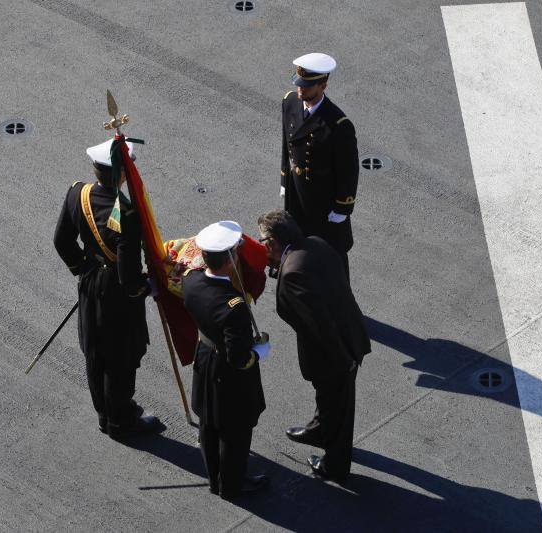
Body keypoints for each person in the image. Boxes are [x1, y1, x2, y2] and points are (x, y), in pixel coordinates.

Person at [53, 137, 161, 439]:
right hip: (116, 291)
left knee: (96, 351)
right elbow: (129, 278)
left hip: (90, 283)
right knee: (120, 357)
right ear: (123, 175)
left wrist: (83, 269)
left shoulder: (78, 193)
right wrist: (149, 286)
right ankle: (120, 421)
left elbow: (62, 241)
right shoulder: (125, 214)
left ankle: (104, 412)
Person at [257, 209, 370, 482]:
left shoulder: (293, 274)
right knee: (328, 399)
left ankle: (335, 465)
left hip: (335, 355)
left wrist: (343, 361)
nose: (260, 244)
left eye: (262, 240)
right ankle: (319, 429)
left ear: (273, 243)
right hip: (349, 334)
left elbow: (321, 327)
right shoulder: (315, 244)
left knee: (339, 408)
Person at [182, 221, 269, 500]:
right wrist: (258, 354)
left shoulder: (191, 281)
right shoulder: (234, 307)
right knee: (234, 430)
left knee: (209, 423)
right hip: (227, 371)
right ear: (230, 259)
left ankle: (214, 478)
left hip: (205, 358)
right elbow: (238, 357)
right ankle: (231, 485)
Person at [280, 52, 359, 279]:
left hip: (323, 202)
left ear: (323, 86)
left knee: (332, 256)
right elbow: (287, 144)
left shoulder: (338, 124)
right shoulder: (290, 103)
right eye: (299, 84)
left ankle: (341, 298)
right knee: (298, 245)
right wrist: (285, 179)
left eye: (307, 86)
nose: (300, 90)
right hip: (297, 194)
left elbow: (348, 171)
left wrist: (342, 208)